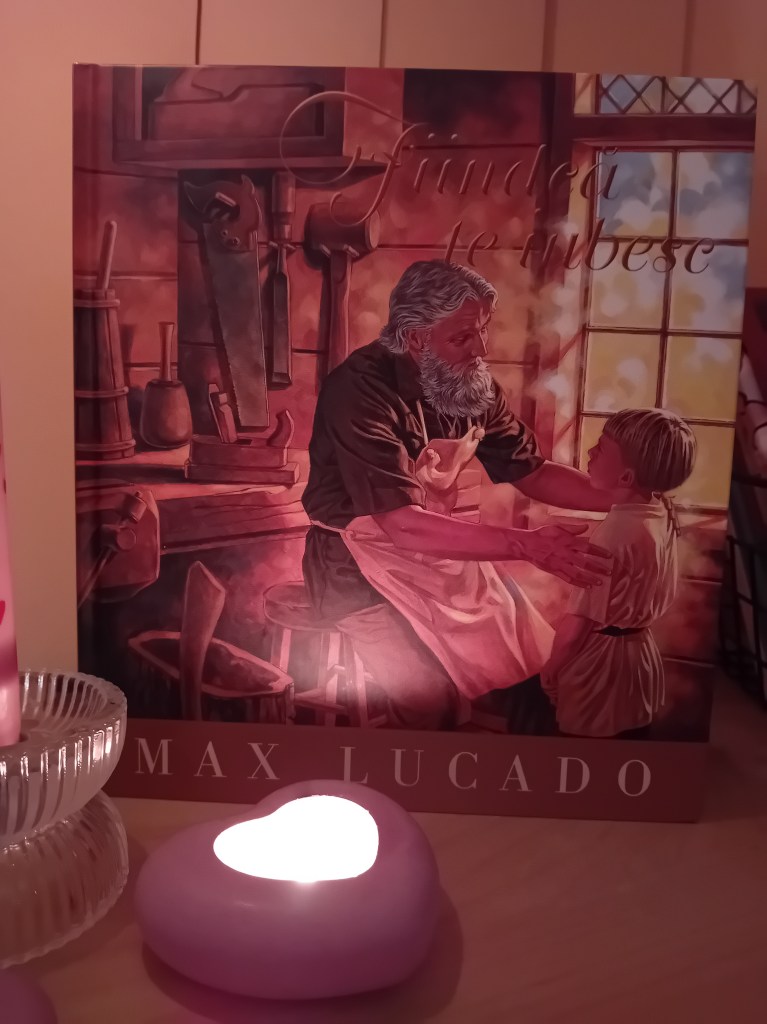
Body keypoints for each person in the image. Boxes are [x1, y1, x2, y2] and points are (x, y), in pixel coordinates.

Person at [301, 259, 614, 728]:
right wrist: (528, 546)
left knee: (539, 682)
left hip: (439, 561)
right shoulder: (358, 389)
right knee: (431, 703)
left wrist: (630, 499)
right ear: (415, 338)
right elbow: (403, 525)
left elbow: (531, 472)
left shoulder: (470, 383)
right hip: (351, 572)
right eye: (463, 337)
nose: (481, 349)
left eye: (483, 330)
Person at [539, 408, 697, 738]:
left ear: (626, 478)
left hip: (601, 668)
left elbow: (578, 624)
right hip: (640, 659)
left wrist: (552, 667)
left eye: (601, 448)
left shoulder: (615, 534)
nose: (590, 452)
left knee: (584, 749)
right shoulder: (660, 513)